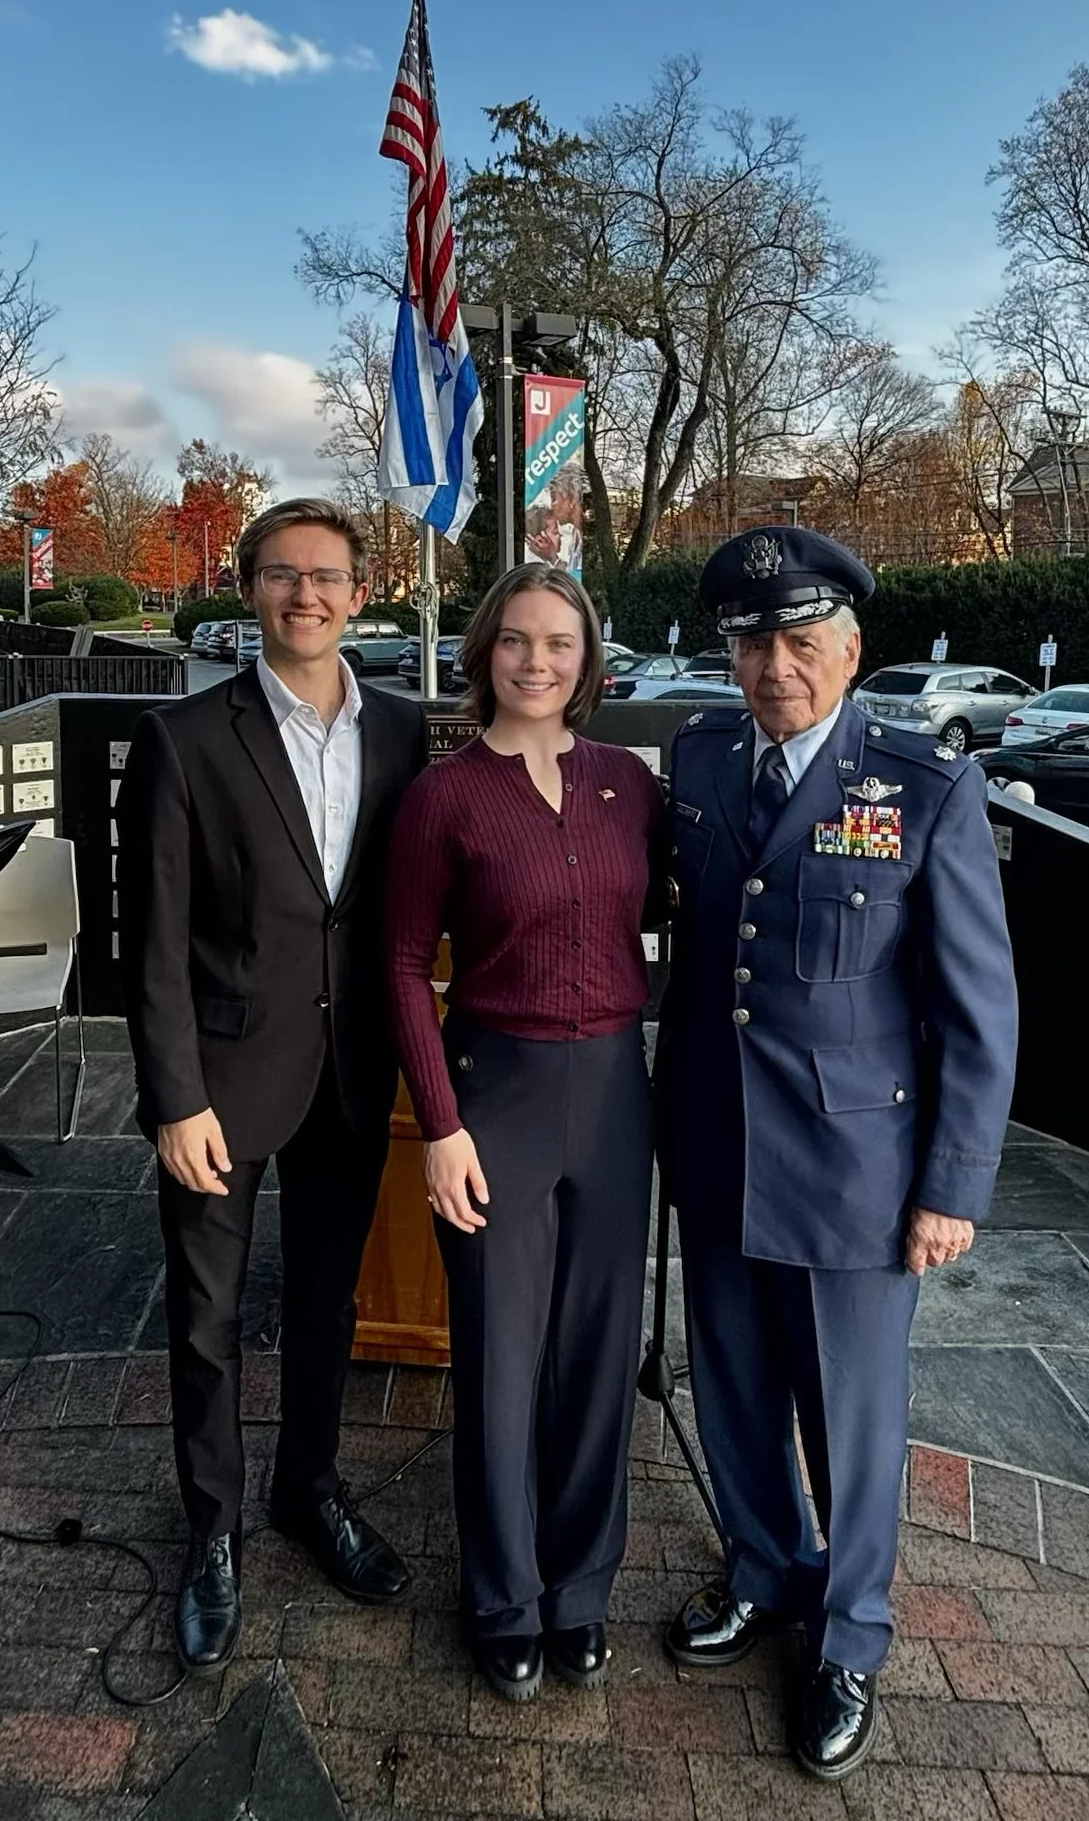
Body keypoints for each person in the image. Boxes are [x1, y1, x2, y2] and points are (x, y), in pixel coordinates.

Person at [656, 525, 1017, 1780]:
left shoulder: (921, 782)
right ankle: (763, 1569)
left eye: (800, 644)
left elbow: (979, 1004)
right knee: (737, 1387)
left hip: (858, 1171)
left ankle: (852, 1635)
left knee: (852, 1418)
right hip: (714, 1143)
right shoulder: (698, 762)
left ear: (850, 650)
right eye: (753, 644)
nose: (774, 669)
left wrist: (953, 1186)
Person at [116, 497, 427, 1677]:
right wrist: (171, 1098)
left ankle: (310, 1490)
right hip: (223, 1082)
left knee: (324, 1308)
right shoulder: (185, 740)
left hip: (350, 1078)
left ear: (361, 595)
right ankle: (213, 1530)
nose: (307, 595)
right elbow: (152, 940)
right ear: (250, 591)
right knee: (203, 1320)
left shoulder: (402, 733)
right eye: (283, 575)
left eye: (329, 577)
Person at [386, 563, 665, 1703]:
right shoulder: (444, 797)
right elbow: (403, 965)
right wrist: (441, 1127)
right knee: (501, 1358)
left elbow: (672, 919)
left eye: (559, 644)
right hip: (494, 1089)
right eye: (516, 641)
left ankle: (582, 1587)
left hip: (613, 1094)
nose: (536, 662)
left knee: (599, 1353)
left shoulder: (629, 786)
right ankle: (503, 1595)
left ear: (589, 662)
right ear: (483, 651)